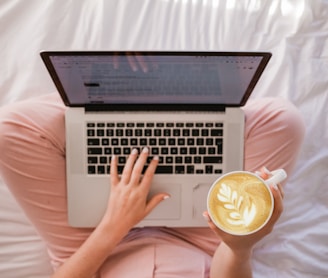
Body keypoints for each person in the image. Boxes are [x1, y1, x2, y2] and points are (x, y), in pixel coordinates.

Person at [0, 93, 305, 278]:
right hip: (208, 245)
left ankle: (108, 100)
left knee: (10, 129)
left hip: (98, 247)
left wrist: (113, 225)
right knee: (283, 120)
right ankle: (183, 105)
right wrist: (238, 246)